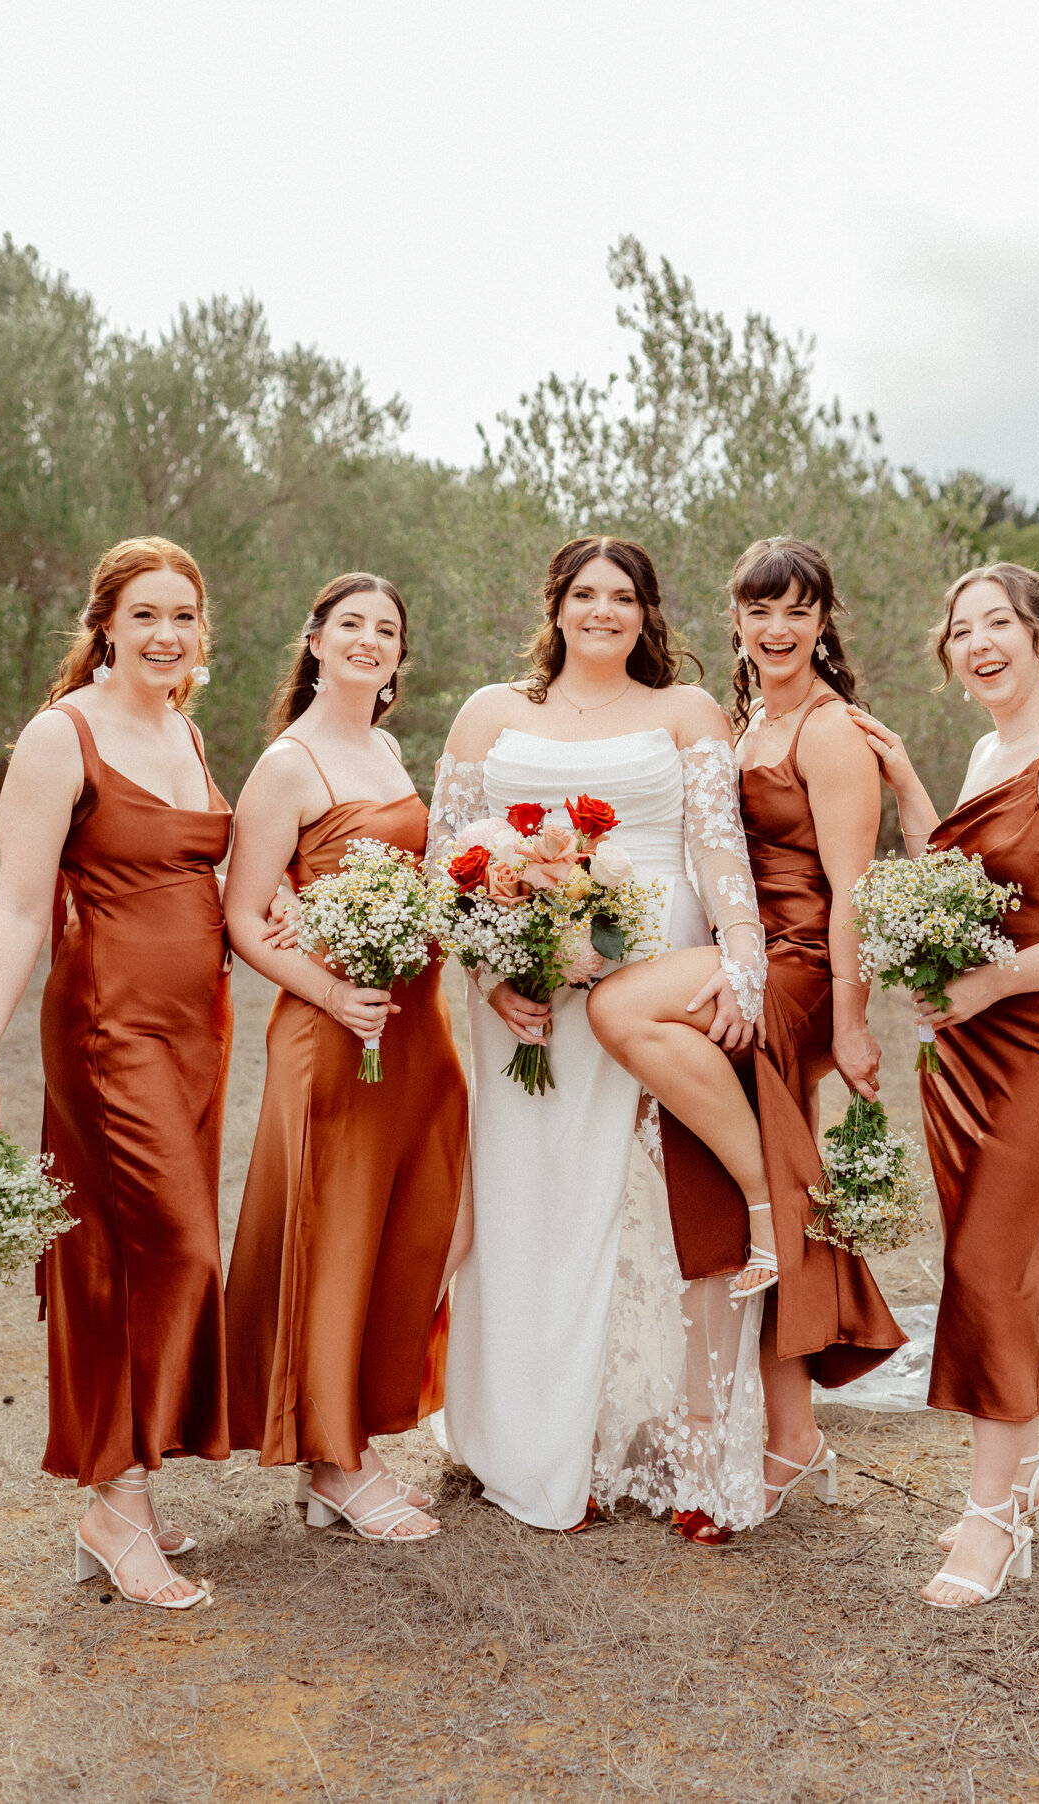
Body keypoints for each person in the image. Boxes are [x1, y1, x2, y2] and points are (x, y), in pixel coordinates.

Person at [427, 536, 768, 1541]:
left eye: (624, 596)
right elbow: (445, 860)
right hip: (523, 998)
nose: (604, 610)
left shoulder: (686, 711)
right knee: (529, 1202)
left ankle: (658, 1436)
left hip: (648, 984)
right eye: (586, 593)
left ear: (647, 613)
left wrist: (742, 955)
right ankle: (529, 1443)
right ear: (556, 605)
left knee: (645, 1213)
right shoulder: (490, 713)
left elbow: (717, 850)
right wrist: (493, 975)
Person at [849, 561, 1039, 1608]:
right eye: (960, 629)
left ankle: (990, 1518)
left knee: (986, 1262)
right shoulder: (989, 749)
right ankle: (1026, 1478)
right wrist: (907, 790)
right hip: (968, 1046)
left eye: (997, 624)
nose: (977, 643)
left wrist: (999, 981)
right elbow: (971, 882)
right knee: (1005, 1258)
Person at [589, 537, 904, 1524]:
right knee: (713, 1178)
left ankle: (775, 1199)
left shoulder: (829, 731)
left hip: (798, 970)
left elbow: (854, 892)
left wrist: (849, 1022)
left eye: (797, 611)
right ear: (736, 619)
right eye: (760, 610)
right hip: (743, 961)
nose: (777, 628)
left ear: (823, 622)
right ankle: (789, 1437)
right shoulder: (744, 723)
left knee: (620, 1007)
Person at [0, 536, 233, 1609]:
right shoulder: (61, 734)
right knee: (171, 1248)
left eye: (183, 614)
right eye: (145, 614)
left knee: (145, 1256)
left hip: (200, 1033)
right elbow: (19, 907)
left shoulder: (185, 727)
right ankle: (113, 1506)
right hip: (108, 1028)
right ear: (106, 625)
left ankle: (127, 1487)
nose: (166, 633)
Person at [223, 574, 468, 1543]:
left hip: (413, 1030)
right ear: (316, 640)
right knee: (336, 1235)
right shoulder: (287, 765)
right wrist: (331, 993)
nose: (370, 639)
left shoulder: (387, 749)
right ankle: (334, 1461)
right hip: (335, 1035)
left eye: (387, 629)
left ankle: (351, 1433)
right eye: (351, 624)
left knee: (403, 1231)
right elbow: (245, 916)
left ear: (400, 655)